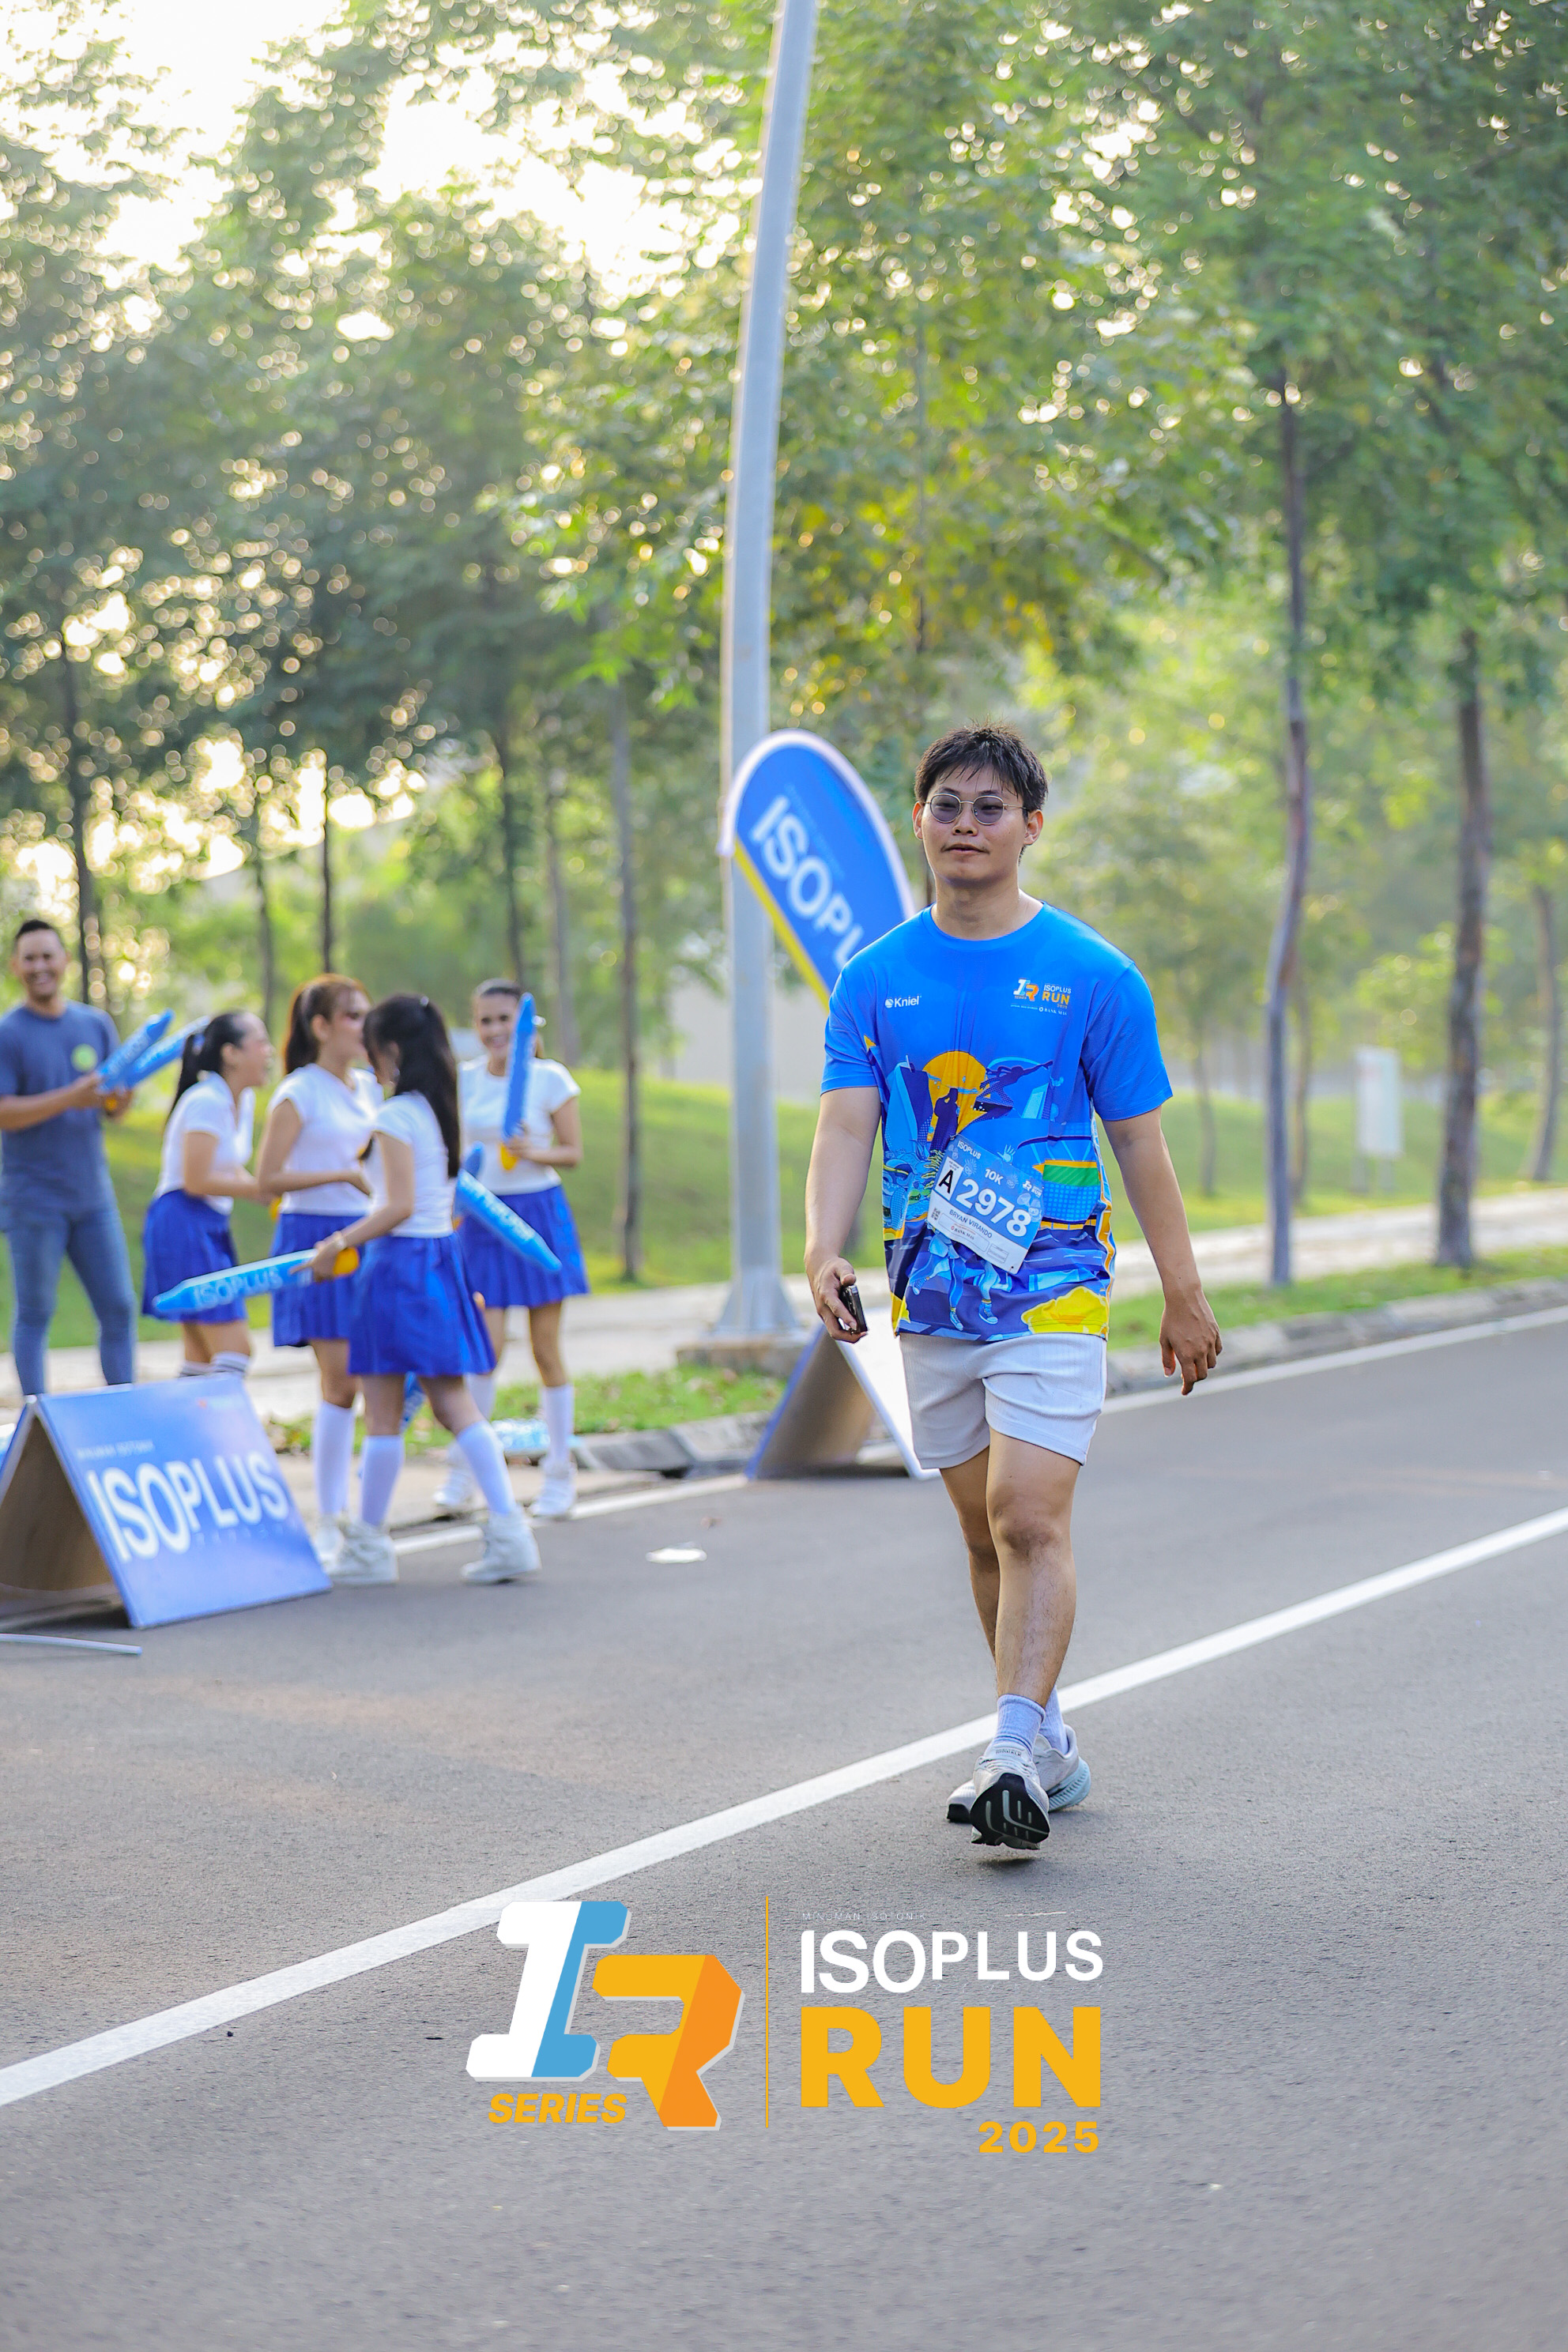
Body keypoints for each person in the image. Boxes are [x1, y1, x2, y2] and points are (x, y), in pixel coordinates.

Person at [804, 722, 1221, 1853]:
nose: (966, 825)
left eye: (990, 808)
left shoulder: (1095, 974)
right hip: (931, 1296)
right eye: (947, 805)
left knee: (1028, 1515)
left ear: (1031, 827)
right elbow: (845, 1125)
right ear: (920, 820)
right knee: (984, 1537)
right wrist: (821, 1246)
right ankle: (1049, 1742)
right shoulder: (874, 977)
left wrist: (1182, 1290)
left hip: (1053, 1287)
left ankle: (1007, 1753)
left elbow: (1138, 1141)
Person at [307, 993, 541, 1588]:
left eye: (371, 1045)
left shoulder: (395, 1116)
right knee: (452, 1404)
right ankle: (508, 1530)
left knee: (386, 1412)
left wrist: (337, 1243)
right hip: (437, 1261)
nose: (366, 1057)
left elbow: (398, 1205)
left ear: (390, 1048)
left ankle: (370, 1546)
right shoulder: (435, 1109)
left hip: (399, 1266)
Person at [436, 978, 590, 1521]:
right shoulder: (465, 1081)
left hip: (538, 1214)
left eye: (505, 1019)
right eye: (485, 1021)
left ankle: (559, 1475)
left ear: (524, 1024)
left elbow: (573, 1152)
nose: (495, 1030)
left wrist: (534, 1150)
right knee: (485, 1351)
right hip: (482, 1220)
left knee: (546, 1349)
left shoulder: (550, 1079)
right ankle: (463, 1474)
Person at [254, 975, 379, 1560]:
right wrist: (341, 1174)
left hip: (366, 1236)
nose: (363, 1026)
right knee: (341, 1381)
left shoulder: (371, 1087)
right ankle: (330, 1517)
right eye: (352, 1016)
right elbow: (266, 1180)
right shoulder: (299, 1092)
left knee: (377, 1378)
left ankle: (356, 1509)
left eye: (366, 1014)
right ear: (321, 1027)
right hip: (316, 1238)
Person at [0, 918, 139, 1395]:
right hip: (33, 1200)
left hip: (93, 1197)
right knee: (35, 1313)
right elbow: (4, 1113)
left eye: (48, 956)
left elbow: (115, 1108)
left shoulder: (94, 1024)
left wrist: (120, 1099)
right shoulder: (8, 1033)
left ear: (64, 960)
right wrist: (71, 1097)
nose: (40, 966)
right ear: (15, 966)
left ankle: (122, 1407)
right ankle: (36, 1418)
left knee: (119, 1307)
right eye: (30, 958)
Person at [141, 1012, 274, 1377]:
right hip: (182, 1222)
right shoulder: (207, 1100)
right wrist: (264, 1187)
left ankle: (181, 1416)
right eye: (261, 1042)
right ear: (232, 1053)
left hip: (207, 1223)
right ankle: (213, 1417)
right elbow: (196, 1181)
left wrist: (270, 1194)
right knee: (236, 1351)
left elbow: (229, 1167)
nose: (269, 1051)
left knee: (200, 1357)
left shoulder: (241, 1100)